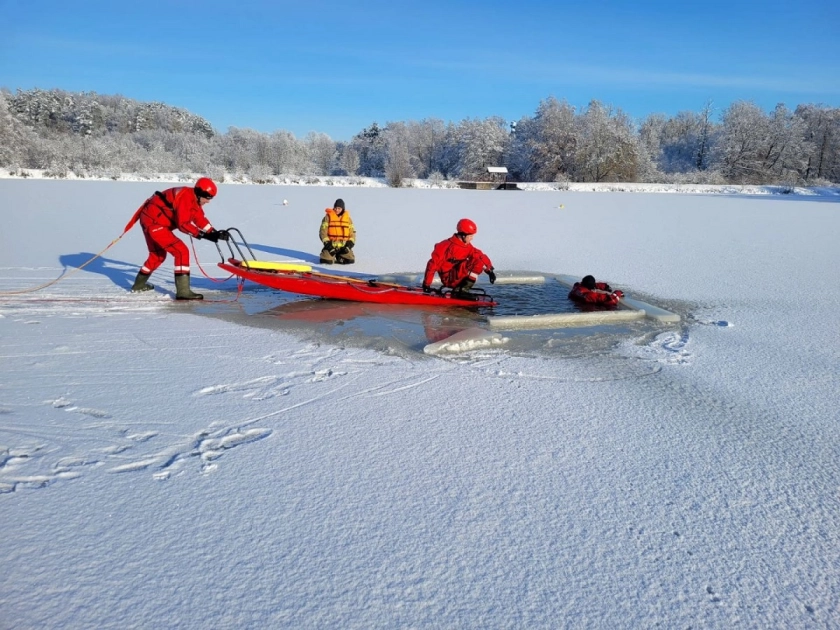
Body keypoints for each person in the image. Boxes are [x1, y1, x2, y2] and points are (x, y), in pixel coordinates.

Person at [126, 177, 229, 300]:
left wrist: (214, 232)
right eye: (208, 198)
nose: (208, 201)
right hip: (153, 223)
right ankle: (183, 292)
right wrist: (203, 235)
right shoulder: (186, 198)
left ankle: (138, 285)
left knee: (157, 256)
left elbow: (199, 218)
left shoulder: (193, 199)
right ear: (201, 193)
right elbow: (183, 224)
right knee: (181, 251)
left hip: (151, 220)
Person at [422, 218, 496, 296]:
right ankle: (461, 292)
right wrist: (426, 285)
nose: (472, 238)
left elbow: (480, 256)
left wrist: (490, 271)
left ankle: (463, 290)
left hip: (459, 277)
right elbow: (432, 265)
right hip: (449, 279)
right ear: (463, 235)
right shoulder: (445, 246)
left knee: (477, 260)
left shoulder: (467, 247)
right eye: (470, 236)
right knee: (474, 261)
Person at [319, 198, 356, 264]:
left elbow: (352, 233)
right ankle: (327, 254)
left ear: (342, 209)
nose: (337, 210)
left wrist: (349, 244)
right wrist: (328, 245)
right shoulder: (327, 217)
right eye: (335, 208)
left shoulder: (348, 219)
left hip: (343, 246)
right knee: (326, 261)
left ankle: (339, 256)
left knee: (350, 260)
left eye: (339, 208)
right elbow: (322, 232)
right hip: (331, 245)